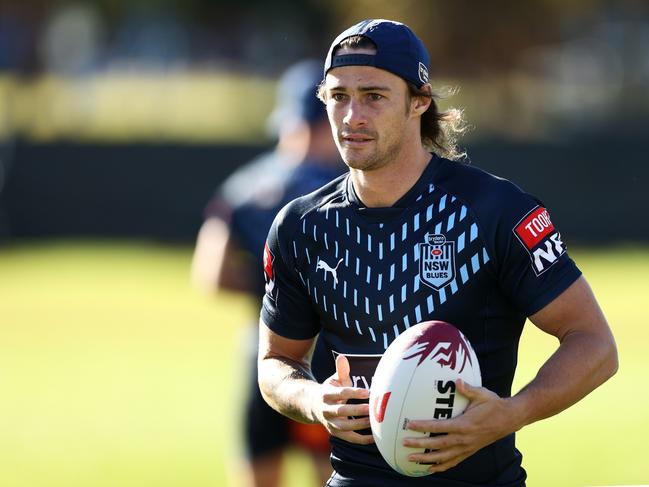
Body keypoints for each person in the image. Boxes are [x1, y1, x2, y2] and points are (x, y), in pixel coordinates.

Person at [257, 19, 618, 487]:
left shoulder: (496, 211)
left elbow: (594, 343)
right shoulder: (301, 226)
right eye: (338, 96)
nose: (351, 117)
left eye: (374, 96)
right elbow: (275, 362)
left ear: (419, 102)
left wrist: (513, 413)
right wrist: (310, 400)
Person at [191, 60, 344, 487]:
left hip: (260, 354)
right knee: (333, 474)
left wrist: (271, 291)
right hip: (327, 360)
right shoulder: (343, 188)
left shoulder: (243, 186)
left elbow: (210, 273)